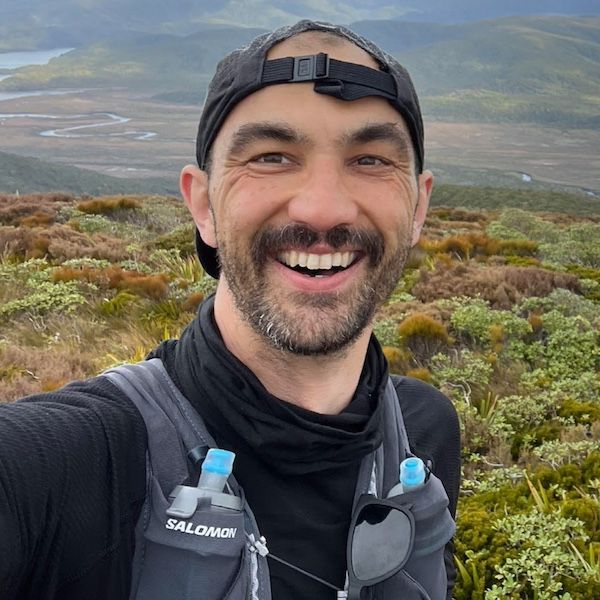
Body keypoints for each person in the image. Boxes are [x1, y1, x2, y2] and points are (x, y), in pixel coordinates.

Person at [0, 20, 460, 600]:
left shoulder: (424, 431)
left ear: (418, 207)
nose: (322, 209)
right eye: (271, 156)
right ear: (203, 205)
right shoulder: (67, 464)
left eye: (370, 160)